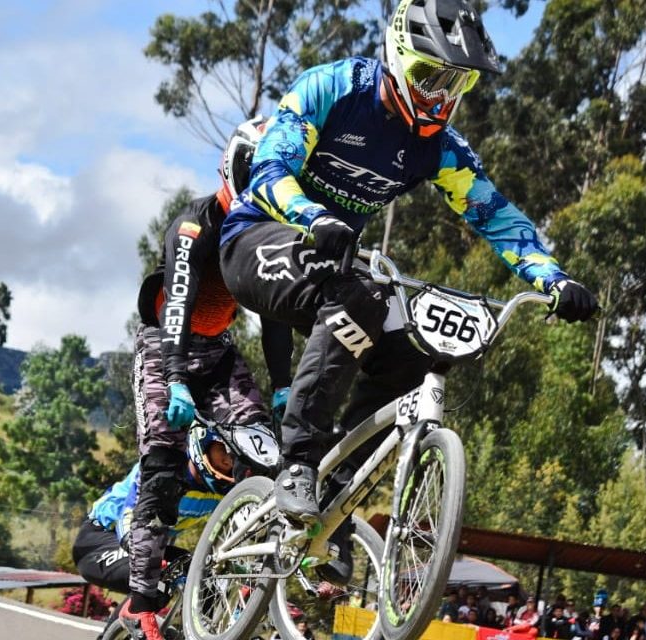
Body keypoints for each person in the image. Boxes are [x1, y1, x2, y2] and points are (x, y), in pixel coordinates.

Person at [217, 0, 600, 564]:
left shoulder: (441, 148)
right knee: (359, 296)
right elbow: (272, 168)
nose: (439, 95)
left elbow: (496, 216)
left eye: (457, 82)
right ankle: (297, 461)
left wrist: (553, 279)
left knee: (407, 354)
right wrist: (314, 217)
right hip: (258, 240)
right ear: (397, 56)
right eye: (429, 76)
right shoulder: (333, 88)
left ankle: (334, 494)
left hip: (335, 269)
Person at [120, 119, 295, 640]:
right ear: (234, 169)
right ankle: (140, 603)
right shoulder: (193, 227)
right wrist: (174, 378)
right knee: (164, 468)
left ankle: (247, 569)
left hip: (217, 355)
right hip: (164, 350)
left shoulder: (263, 234)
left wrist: (283, 386)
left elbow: (275, 314)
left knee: (266, 448)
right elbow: (175, 305)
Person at [72, 425, 253, 633]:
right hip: (100, 540)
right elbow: (128, 520)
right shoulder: (164, 468)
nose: (229, 461)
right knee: (159, 574)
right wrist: (150, 560)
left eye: (234, 455)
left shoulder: (221, 490)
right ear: (204, 443)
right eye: (224, 450)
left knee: (204, 577)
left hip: (150, 548)